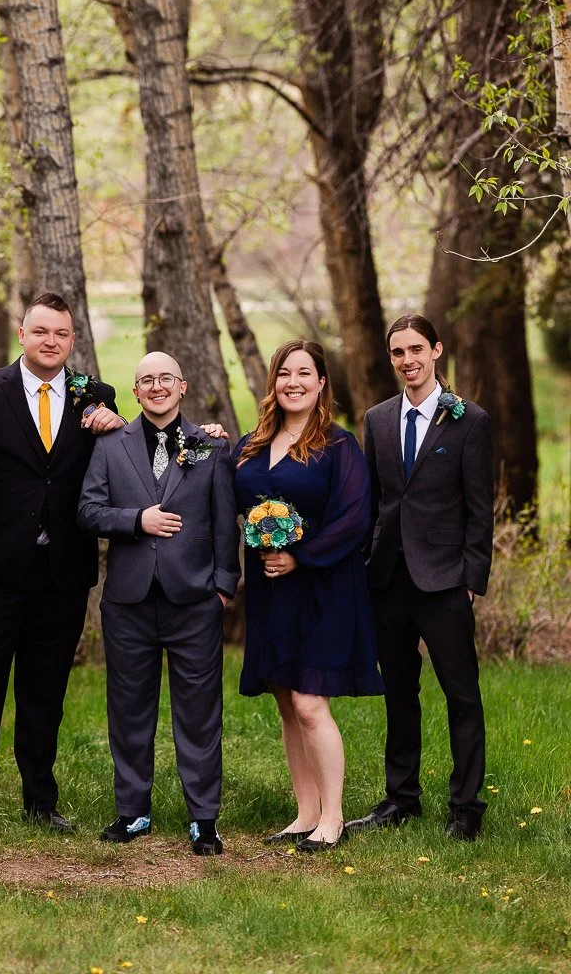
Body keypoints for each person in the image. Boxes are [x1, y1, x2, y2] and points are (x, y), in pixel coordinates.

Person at [0, 292, 124, 835]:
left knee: (45, 692)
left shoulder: (94, 394)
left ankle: (40, 802)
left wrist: (119, 425)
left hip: (62, 571)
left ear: (72, 340)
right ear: (22, 335)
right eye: (41, 332)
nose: (51, 342)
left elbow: (124, 453)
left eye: (61, 334)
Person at [78, 351, 240, 856]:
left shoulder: (207, 446)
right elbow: (88, 509)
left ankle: (204, 818)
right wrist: (135, 520)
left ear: (183, 386)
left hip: (193, 599)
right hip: (128, 600)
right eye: (146, 379)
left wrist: (223, 584)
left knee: (198, 712)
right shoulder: (111, 445)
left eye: (165, 378)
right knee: (129, 708)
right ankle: (133, 811)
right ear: (136, 390)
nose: (156, 386)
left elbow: (223, 519)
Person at [233, 341, 384, 853]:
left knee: (310, 701)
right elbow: (230, 490)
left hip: (324, 585)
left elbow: (355, 518)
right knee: (284, 700)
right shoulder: (254, 443)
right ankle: (304, 813)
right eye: (284, 373)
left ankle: (333, 817)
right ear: (273, 383)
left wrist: (302, 555)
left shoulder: (339, 446)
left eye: (304, 373)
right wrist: (206, 439)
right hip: (271, 590)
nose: (293, 381)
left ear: (322, 384)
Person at [347, 314, 494, 841]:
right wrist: (365, 563)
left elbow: (480, 507)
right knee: (400, 692)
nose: (407, 360)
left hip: (445, 578)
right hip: (388, 577)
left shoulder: (469, 420)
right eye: (397, 353)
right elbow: (373, 502)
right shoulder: (378, 419)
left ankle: (466, 806)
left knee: (461, 694)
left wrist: (472, 574)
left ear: (436, 351)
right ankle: (401, 798)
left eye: (416, 350)